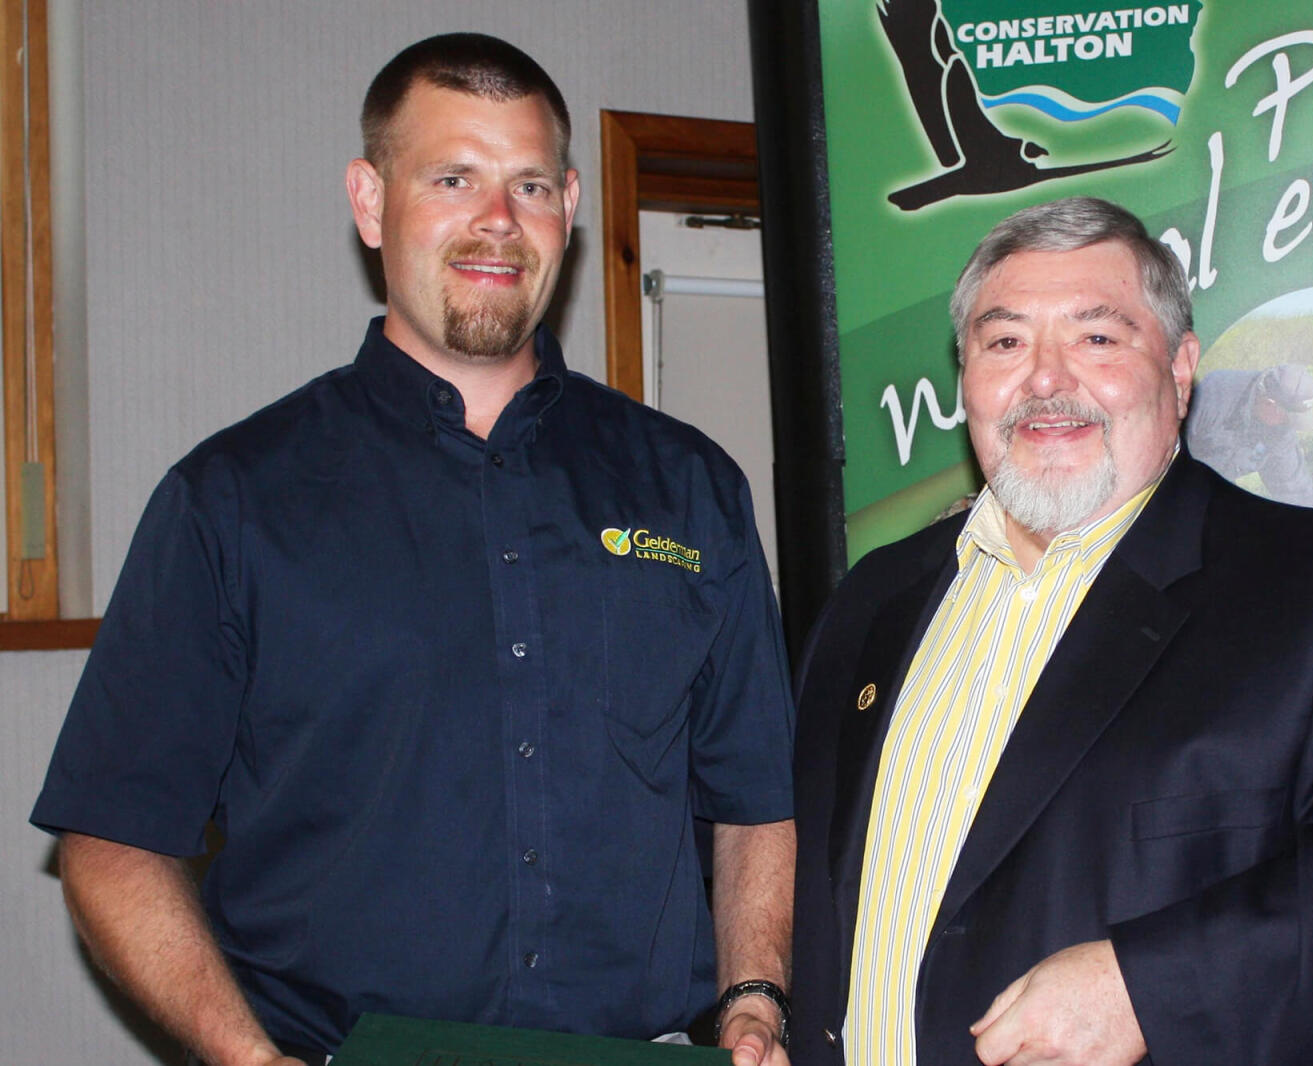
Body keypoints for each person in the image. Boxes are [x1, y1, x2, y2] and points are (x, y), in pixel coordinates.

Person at [32, 33, 794, 1066]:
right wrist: (247, 1059)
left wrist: (752, 999)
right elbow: (114, 839)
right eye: (453, 177)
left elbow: (756, 804)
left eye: (528, 184)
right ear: (369, 199)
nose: (496, 220)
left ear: (569, 209)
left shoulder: (692, 487)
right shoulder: (233, 502)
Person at [789, 197, 1313, 1066]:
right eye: (1006, 341)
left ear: (1179, 370)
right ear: (965, 377)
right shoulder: (873, 600)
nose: (1047, 379)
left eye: (1098, 339)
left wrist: (1148, 992)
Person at [1185, 363, 1313, 507]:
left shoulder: (1280, 434)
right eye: (1287, 418)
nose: (1288, 426)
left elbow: (1297, 490)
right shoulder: (1214, 394)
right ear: (1269, 403)